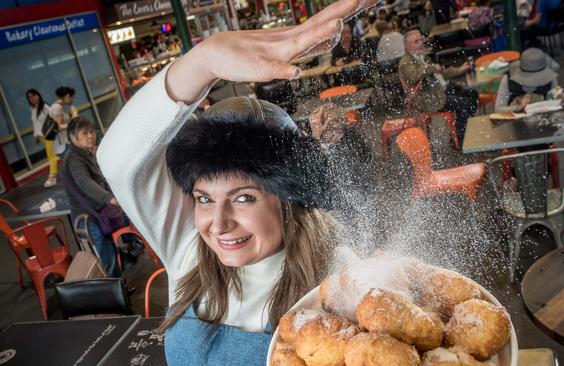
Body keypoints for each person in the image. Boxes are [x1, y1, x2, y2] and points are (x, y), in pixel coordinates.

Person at [96, 0, 373, 363]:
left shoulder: (338, 273)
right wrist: (203, 62)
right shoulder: (188, 248)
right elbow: (115, 160)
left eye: (243, 198)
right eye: (204, 198)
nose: (218, 224)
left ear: (288, 199)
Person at [62, 117, 123, 278]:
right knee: (106, 255)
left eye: (91, 132)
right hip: (88, 216)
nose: (90, 136)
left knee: (110, 251)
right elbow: (84, 182)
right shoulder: (74, 159)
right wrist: (108, 198)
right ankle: (115, 292)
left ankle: (119, 287)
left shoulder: (84, 154)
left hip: (97, 212)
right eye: (84, 133)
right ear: (73, 138)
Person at [400, 30, 477, 143]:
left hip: (442, 89)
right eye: (416, 41)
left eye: (421, 40)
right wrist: (432, 67)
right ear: (406, 45)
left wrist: (459, 69)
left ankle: (460, 132)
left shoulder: (421, 57)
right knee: (466, 104)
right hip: (430, 97)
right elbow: (413, 76)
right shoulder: (406, 61)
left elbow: (441, 71)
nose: (420, 43)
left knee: (473, 94)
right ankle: (461, 140)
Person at [495, 47, 562, 113]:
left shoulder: (550, 77)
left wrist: (558, 99)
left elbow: (552, 99)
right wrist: (519, 107)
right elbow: (498, 109)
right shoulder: (509, 79)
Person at [26, 89, 57, 188]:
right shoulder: (33, 108)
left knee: (51, 156)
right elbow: (36, 124)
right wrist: (36, 135)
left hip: (48, 135)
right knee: (54, 154)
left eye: (33, 96)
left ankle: (52, 176)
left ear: (38, 95)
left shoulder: (45, 107)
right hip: (41, 137)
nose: (31, 98)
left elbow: (54, 119)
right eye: (29, 97)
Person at [49, 86, 76, 156]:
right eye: (71, 97)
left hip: (65, 141)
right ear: (67, 96)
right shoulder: (57, 107)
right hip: (63, 144)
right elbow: (58, 127)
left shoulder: (59, 106)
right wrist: (73, 117)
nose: (72, 100)